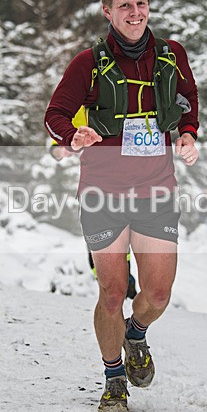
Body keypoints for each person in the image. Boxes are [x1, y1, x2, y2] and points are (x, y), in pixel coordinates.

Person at [44, 0, 199, 412]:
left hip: (156, 190)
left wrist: (187, 134)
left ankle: (136, 333)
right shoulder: (87, 63)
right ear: (108, 11)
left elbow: (188, 99)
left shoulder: (171, 56)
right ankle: (114, 378)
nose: (135, 13)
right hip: (103, 192)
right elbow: (56, 113)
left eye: (141, 4)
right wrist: (72, 137)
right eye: (125, 6)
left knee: (157, 295)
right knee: (111, 293)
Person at [48, 107, 137, 300]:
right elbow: (57, 144)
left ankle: (126, 284)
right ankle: (108, 284)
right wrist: (62, 150)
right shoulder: (82, 106)